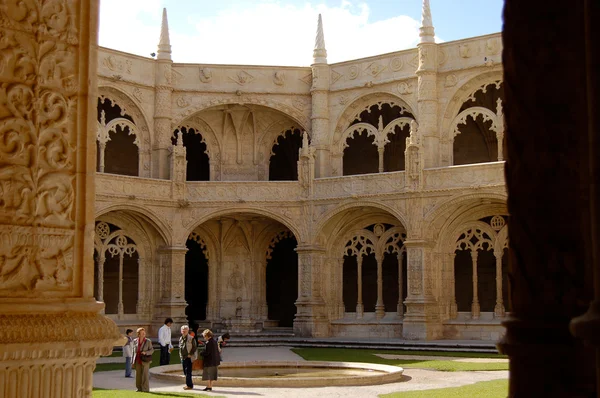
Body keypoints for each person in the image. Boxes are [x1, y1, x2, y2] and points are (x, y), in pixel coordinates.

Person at [132, 327, 154, 392]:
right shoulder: (135, 341)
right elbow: (133, 352)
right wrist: (132, 361)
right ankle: (139, 388)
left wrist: (146, 352)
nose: (144, 333)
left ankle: (145, 389)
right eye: (142, 332)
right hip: (137, 360)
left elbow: (152, 350)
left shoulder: (148, 341)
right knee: (138, 375)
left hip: (145, 360)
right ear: (139, 334)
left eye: (144, 332)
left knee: (145, 375)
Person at [179, 325, 197, 390]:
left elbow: (194, 347)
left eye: (185, 329)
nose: (184, 331)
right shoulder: (181, 338)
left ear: (188, 331)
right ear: (181, 331)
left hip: (189, 357)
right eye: (183, 330)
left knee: (188, 371)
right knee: (185, 371)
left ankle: (189, 385)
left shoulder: (191, 338)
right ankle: (188, 384)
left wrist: (190, 354)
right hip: (183, 357)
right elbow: (180, 348)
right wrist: (180, 356)